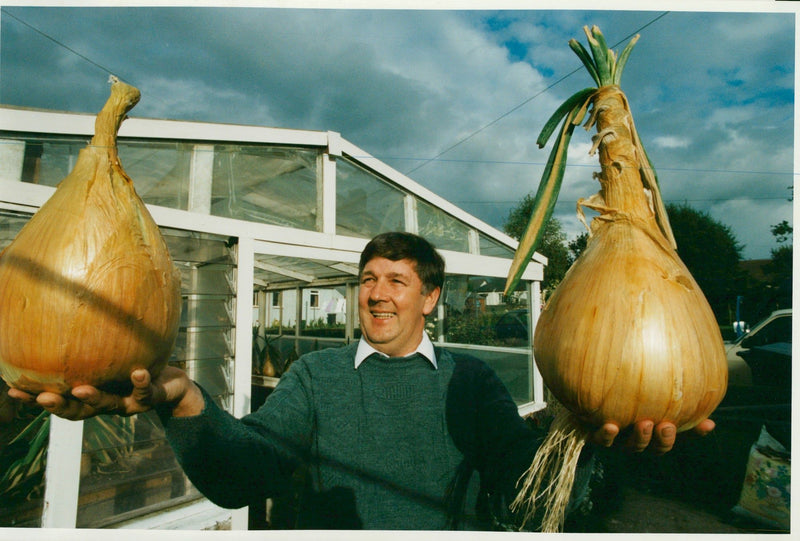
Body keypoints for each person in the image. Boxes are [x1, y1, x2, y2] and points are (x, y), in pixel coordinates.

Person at [7, 231, 714, 530]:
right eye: (367, 279)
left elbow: (524, 484)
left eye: (397, 281)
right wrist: (183, 399)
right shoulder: (317, 375)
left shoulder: (469, 382)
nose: (377, 294)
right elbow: (240, 472)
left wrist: (594, 440)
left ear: (430, 297)